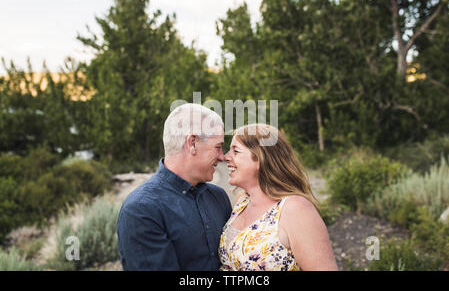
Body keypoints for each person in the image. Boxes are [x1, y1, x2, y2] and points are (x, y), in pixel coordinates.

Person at [117, 103, 232, 270]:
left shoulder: (218, 197)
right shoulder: (141, 209)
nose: (223, 157)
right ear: (192, 143)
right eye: (218, 147)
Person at [219, 123, 338, 271]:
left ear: (261, 158)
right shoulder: (242, 203)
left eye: (235, 151)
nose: (225, 157)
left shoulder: (296, 209)